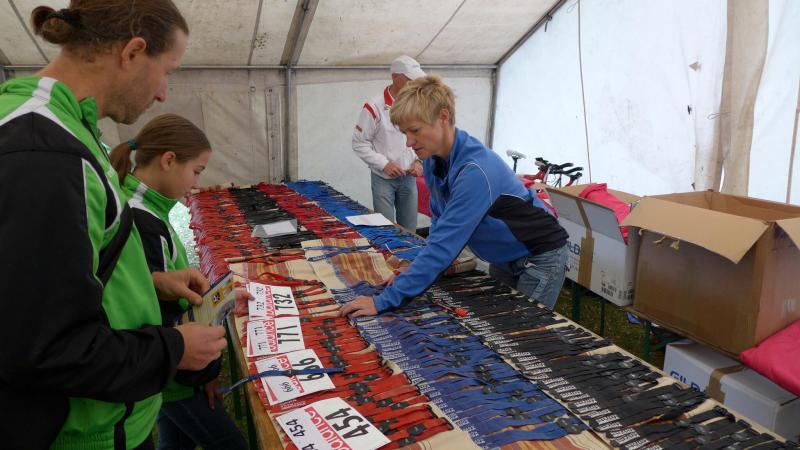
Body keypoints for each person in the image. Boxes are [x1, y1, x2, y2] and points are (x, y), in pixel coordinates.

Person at [0, 2, 226, 449]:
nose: (162, 94)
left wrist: (152, 282)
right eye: (166, 72)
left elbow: (51, 282)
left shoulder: (61, 126)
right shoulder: (45, 153)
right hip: (83, 433)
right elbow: (42, 348)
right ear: (133, 52)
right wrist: (174, 349)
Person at [340, 75, 569, 318]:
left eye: (415, 131)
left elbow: (446, 245)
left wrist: (382, 302)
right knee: (499, 323)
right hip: (504, 257)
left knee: (523, 329)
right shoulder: (433, 160)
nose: (408, 142)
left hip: (539, 256)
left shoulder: (476, 171)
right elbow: (440, 223)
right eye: (405, 133)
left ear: (443, 116)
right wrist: (414, 267)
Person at [109, 114, 248, 450]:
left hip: (169, 371)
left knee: (175, 442)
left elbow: (161, 288)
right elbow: (158, 314)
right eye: (196, 171)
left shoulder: (143, 207)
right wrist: (203, 374)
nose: (197, 181)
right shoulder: (143, 220)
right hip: (176, 375)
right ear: (169, 160)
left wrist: (220, 298)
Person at [352, 55, 426, 231]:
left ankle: (410, 250)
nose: (415, 85)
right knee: (386, 230)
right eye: (410, 80)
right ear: (395, 77)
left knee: (410, 229)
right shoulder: (374, 106)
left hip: (409, 178)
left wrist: (419, 162)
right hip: (383, 179)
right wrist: (384, 164)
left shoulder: (418, 104)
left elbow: (423, 137)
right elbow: (359, 143)